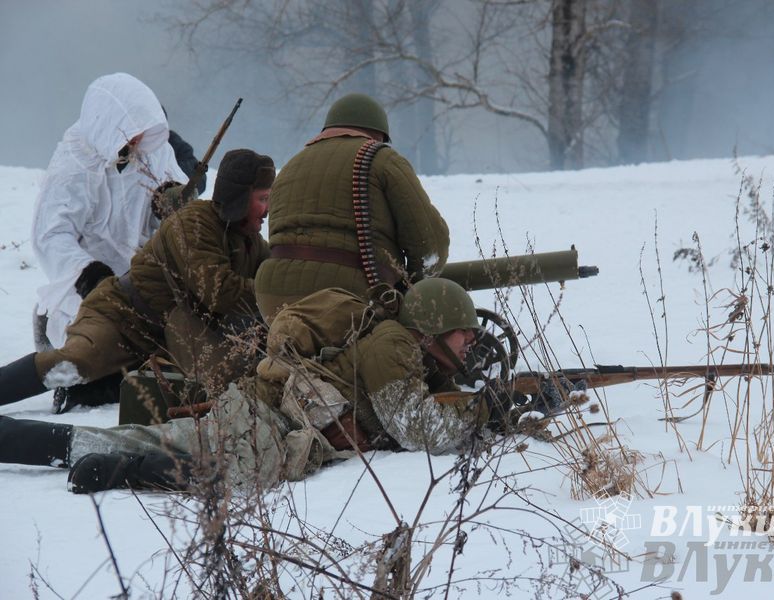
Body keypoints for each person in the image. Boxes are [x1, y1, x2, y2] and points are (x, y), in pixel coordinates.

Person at [0, 279, 529, 494]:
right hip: (267, 424)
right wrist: (490, 411)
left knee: (170, 447)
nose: (470, 343)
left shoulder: (404, 348)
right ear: (435, 325)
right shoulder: (392, 345)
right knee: (186, 460)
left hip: (265, 417)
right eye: (465, 333)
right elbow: (416, 428)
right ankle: (25, 442)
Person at [0, 148, 275, 412]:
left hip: (163, 341)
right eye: (262, 198)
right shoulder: (193, 223)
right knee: (73, 363)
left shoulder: (251, 244)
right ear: (239, 197)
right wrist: (272, 291)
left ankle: (94, 389)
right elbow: (218, 291)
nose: (268, 208)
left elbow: (273, 280)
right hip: (121, 317)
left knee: (200, 385)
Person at [31, 73, 192, 354]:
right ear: (110, 124)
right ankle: (51, 330)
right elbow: (51, 235)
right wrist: (88, 274)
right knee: (96, 343)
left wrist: (167, 202)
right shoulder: (73, 165)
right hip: (88, 283)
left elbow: (175, 203)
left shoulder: (153, 151)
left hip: (144, 271)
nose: (139, 137)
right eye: (132, 130)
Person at [254, 93, 451, 323]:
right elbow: (430, 244)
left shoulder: (290, 166)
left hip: (273, 299)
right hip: (348, 297)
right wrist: (413, 285)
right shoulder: (381, 158)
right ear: (378, 134)